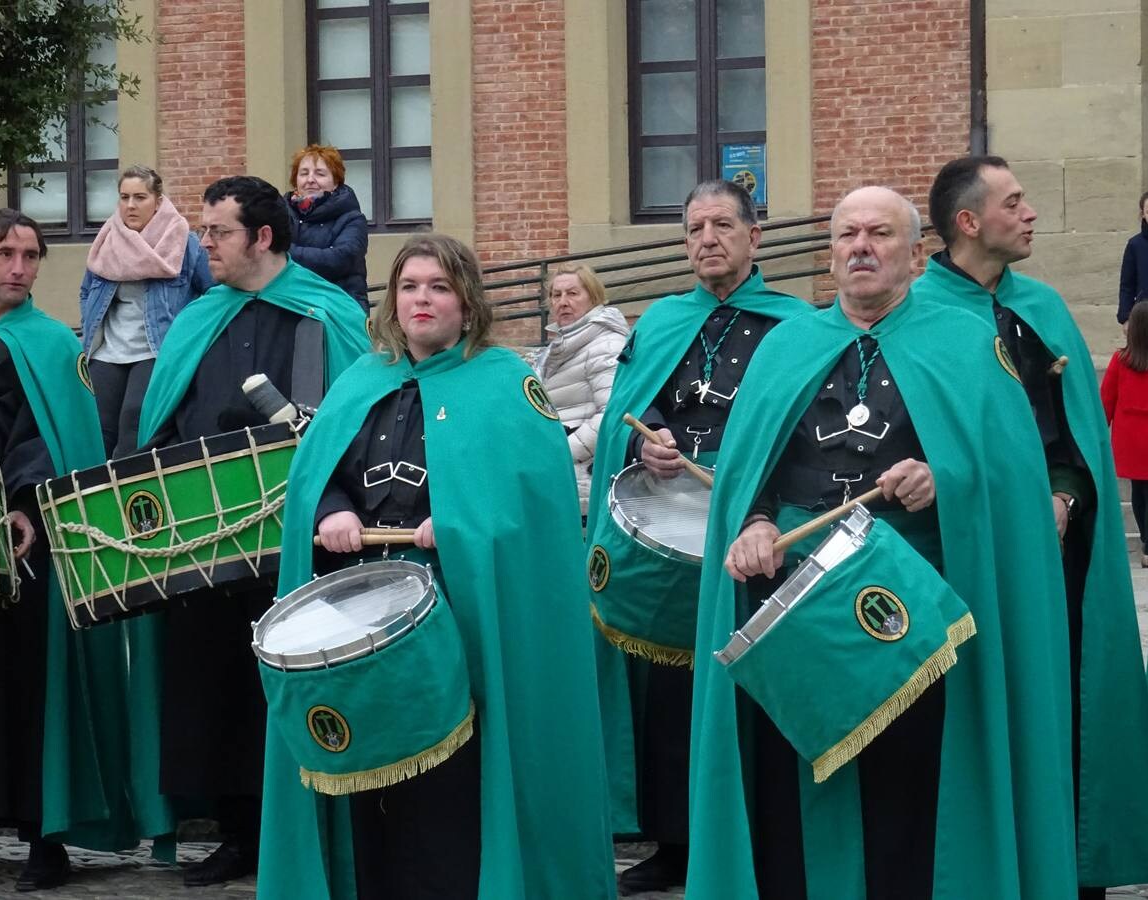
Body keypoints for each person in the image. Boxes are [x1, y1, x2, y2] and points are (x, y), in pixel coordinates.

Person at [693, 186, 1078, 900]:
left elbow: (1011, 474)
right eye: (846, 235)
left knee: (909, 793)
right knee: (798, 788)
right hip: (801, 609)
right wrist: (754, 524)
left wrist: (945, 476)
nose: (861, 247)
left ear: (916, 254)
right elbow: (752, 473)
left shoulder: (964, 344)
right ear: (829, 253)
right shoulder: (788, 346)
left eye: (879, 233)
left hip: (917, 612)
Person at [257, 233, 615, 899]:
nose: (422, 298)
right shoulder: (362, 380)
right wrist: (329, 510)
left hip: (461, 617)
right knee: (367, 787)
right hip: (355, 616)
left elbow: (535, 504)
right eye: (410, 286)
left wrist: (456, 523)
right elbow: (317, 476)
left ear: (468, 303)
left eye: (439, 287)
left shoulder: (506, 384)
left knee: (448, 793)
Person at [916, 155, 1148, 898]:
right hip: (960, 559)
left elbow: (1074, 438)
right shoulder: (915, 318)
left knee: (1066, 699)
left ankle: (1072, 869)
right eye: (1014, 202)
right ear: (968, 222)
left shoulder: (1042, 309)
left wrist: (1065, 498)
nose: (1031, 213)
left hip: (1056, 556)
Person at [135, 176, 370, 886]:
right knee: (216, 688)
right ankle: (239, 833)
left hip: (298, 541)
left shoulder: (327, 315)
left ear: (261, 237)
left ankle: (315, 830)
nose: (202, 245)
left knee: (295, 681)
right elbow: (163, 419)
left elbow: (360, 421)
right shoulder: (198, 317)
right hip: (204, 540)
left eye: (216, 232)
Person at [584, 179, 809, 895]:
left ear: (755, 236)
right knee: (669, 692)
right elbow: (633, 404)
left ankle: (753, 832)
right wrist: (647, 441)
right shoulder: (659, 323)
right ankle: (675, 843)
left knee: (745, 679)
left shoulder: (793, 324)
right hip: (665, 525)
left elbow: (802, 420)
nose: (706, 239)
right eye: (693, 229)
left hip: (749, 516)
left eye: (721, 225)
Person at [0, 209, 166, 891]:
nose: (19, 268)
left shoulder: (52, 348)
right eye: (5, 254)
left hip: (26, 551)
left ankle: (48, 842)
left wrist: (24, 507)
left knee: (34, 696)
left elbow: (65, 448)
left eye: (31, 256)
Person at [80, 164, 213, 457]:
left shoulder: (183, 242)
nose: (130, 205)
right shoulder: (107, 239)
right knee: (96, 426)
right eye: (124, 197)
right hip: (108, 349)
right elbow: (87, 290)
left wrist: (188, 334)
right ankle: (91, 495)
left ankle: (127, 496)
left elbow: (212, 291)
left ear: (157, 200)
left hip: (157, 348)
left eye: (140, 197)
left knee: (134, 422)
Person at [532, 262, 628, 515]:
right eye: (556, 295)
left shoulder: (606, 344)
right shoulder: (559, 348)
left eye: (573, 293)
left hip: (584, 479)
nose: (563, 301)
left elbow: (612, 415)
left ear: (593, 298)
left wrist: (561, 452)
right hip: (562, 477)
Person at [286, 144, 369, 313]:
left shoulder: (353, 219)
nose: (310, 179)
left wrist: (283, 254)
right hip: (290, 305)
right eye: (303, 173)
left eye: (320, 173)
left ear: (336, 181)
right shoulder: (278, 213)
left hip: (340, 308)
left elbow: (338, 260)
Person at [1101, 299, 1148, 567]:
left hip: (1129, 438)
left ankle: (1146, 541)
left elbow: (1106, 399)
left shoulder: (1121, 360)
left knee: (1139, 493)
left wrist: (1098, 433)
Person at [1118, 190, 1148, 326]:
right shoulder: (1135, 245)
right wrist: (1126, 318)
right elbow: (1127, 286)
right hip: (1144, 318)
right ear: (1143, 215)